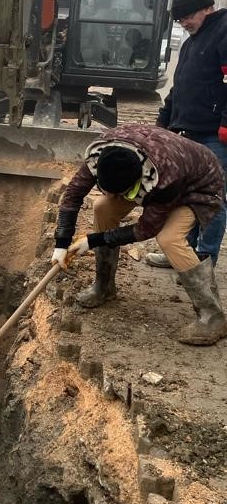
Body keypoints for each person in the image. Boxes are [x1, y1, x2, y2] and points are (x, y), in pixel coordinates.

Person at [51, 123, 226, 346]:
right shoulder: (103, 156)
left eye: (123, 193)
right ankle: (104, 286)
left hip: (197, 186)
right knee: (102, 207)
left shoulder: (165, 179)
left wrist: (93, 240)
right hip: (160, 171)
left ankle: (213, 316)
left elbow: (146, 229)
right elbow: (73, 194)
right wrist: (61, 243)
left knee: (169, 238)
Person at [147, 0, 227, 269]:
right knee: (187, 196)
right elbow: (180, 87)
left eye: (187, 17)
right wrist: (164, 120)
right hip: (189, 132)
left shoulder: (223, 31)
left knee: (211, 199)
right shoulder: (193, 41)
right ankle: (185, 254)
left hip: (214, 135)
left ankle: (205, 259)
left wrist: (225, 125)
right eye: (179, 20)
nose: (184, 23)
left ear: (207, 7)